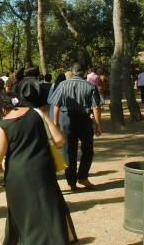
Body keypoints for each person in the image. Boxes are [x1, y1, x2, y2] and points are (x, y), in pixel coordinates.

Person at [0, 91, 78, 244]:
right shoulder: (37, 113)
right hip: (43, 167)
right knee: (49, 206)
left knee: (25, 211)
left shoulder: (4, 125)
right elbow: (59, 139)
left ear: (2, 109)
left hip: (18, 173)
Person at [49, 62, 104, 191]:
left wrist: (56, 123)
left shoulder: (62, 85)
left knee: (69, 152)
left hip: (67, 120)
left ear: (72, 72)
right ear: (84, 73)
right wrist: (98, 125)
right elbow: (96, 107)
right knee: (87, 149)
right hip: (84, 120)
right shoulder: (91, 86)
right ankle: (83, 176)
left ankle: (71, 182)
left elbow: (56, 105)